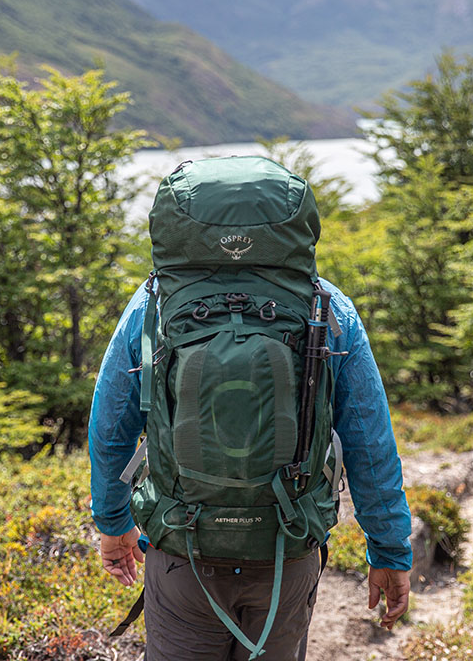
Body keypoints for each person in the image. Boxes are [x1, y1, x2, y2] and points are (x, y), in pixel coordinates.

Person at [89, 276, 413, 659]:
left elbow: (111, 427)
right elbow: (369, 441)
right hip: (286, 546)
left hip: (181, 549)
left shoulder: (155, 301)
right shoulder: (324, 303)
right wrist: (389, 550)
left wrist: (113, 523)